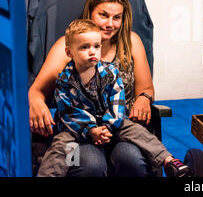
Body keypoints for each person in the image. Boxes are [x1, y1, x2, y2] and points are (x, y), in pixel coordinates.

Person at [29, 0, 163, 177]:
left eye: (117, 17)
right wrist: (36, 101)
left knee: (132, 161)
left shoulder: (132, 42)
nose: (110, 23)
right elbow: (37, 91)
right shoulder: (67, 46)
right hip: (77, 132)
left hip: (120, 128)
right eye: (103, 15)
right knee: (90, 166)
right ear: (90, 14)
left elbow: (146, 88)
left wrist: (144, 98)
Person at [37, 19, 191, 177]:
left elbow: (117, 104)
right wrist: (91, 130)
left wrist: (107, 128)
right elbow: (69, 113)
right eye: (85, 47)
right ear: (70, 53)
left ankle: (169, 161)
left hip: (110, 124)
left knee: (136, 131)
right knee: (60, 146)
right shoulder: (64, 80)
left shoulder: (110, 72)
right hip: (77, 129)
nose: (92, 51)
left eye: (96, 46)